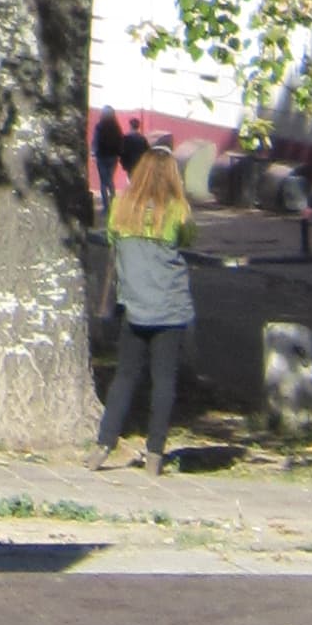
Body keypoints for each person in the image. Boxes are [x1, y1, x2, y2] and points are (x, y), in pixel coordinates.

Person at [98, 144, 197, 469]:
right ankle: (156, 453)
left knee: (124, 376)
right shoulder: (177, 210)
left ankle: (103, 445)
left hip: (134, 306)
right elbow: (188, 240)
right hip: (170, 308)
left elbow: (113, 243)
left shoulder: (121, 206)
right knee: (164, 381)